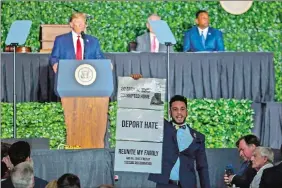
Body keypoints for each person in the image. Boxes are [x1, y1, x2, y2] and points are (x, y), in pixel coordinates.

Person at [148, 95, 210, 188]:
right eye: (175, 109)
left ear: (186, 112)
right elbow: (151, 110)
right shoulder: (162, 128)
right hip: (165, 185)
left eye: (182, 109)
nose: (179, 113)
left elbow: (202, 167)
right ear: (170, 112)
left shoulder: (198, 137)